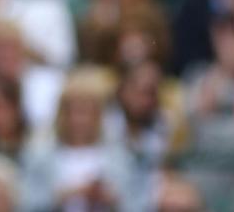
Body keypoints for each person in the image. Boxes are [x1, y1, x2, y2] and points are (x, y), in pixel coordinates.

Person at [20, 69, 146, 212]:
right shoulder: (40, 155)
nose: (78, 120)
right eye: (73, 111)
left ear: (98, 115)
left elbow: (137, 202)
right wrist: (67, 195)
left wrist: (110, 198)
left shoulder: (119, 156)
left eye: (85, 112)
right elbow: (26, 202)